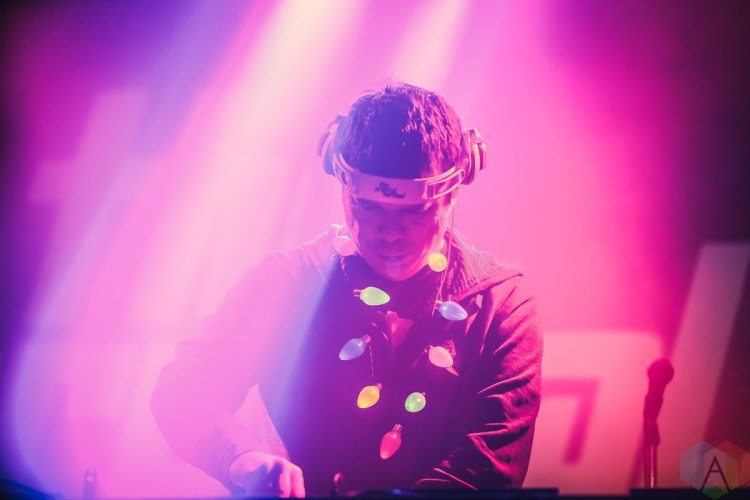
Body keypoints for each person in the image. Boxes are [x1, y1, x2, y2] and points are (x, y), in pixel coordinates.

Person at [151, 82, 543, 498]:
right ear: (342, 189)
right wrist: (240, 458)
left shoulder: (502, 307)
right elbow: (184, 386)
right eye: (367, 206)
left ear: (454, 193)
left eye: (414, 211)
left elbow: (486, 467)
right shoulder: (283, 284)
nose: (388, 231)